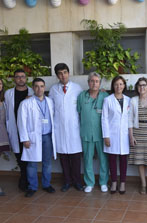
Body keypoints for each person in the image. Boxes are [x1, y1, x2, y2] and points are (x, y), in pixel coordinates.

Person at [17, 78, 57, 198]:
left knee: (47, 162)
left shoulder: (50, 102)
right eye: (36, 86)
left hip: (48, 136)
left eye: (41, 86)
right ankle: (32, 187)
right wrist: (25, 138)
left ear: (44, 88)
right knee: (32, 163)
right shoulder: (26, 103)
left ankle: (46, 184)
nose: (39, 89)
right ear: (33, 88)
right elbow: (21, 122)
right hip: (33, 138)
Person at [49, 63, 84, 192]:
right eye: (60, 73)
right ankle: (67, 181)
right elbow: (50, 107)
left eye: (64, 72)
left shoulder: (77, 88)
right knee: (63, 158)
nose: (62, 75)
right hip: (60, 128)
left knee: (75, 158)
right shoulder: (53, 90)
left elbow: (82, 106)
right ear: (57, 75)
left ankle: (77, 182)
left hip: (74, 128)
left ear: (68, 73)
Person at [77, 72, 109, 193]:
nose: (94, 83)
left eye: (96, 81)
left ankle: (103, 182)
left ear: (100, 83)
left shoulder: (105, 96)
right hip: (86, 133)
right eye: (92, 81)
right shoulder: (81, 96)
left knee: (103, 159)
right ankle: (89, 182)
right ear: (88, 82)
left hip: (101, 134)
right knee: (87, 159)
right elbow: (78, 113)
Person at [4, 69, 33, 192]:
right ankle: (24, 177)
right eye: (17, 77)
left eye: (22, 76)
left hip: (29, 129)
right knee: (19, 154)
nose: (20, 79)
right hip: (15, 128)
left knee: (29, 155)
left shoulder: (32, 91)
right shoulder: (8, 93)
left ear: (26, 78)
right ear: (14, 79)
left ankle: (28, 180)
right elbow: (6, 111)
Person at [128, 77, 147, 194]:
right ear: (137, 87)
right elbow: (129, 119)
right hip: (138, 132)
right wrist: (131, 136)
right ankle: (143, 183)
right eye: (140, 85)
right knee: (139, 159)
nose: (142, 87)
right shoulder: (133, 100)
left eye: (144, 85)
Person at [102, 76, 130, 194]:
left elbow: (131, 118)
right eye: (116, 84)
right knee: (112, 159)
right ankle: (114, 181)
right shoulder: (108, 100)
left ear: (124, 86)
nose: (119, 87)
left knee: (124, 160)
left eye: (121, 84)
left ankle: (122, 182)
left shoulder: (129, 100)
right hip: (112, 134)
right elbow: (104, 118)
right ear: (113, 86)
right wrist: (106, 136)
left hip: (125, 135)